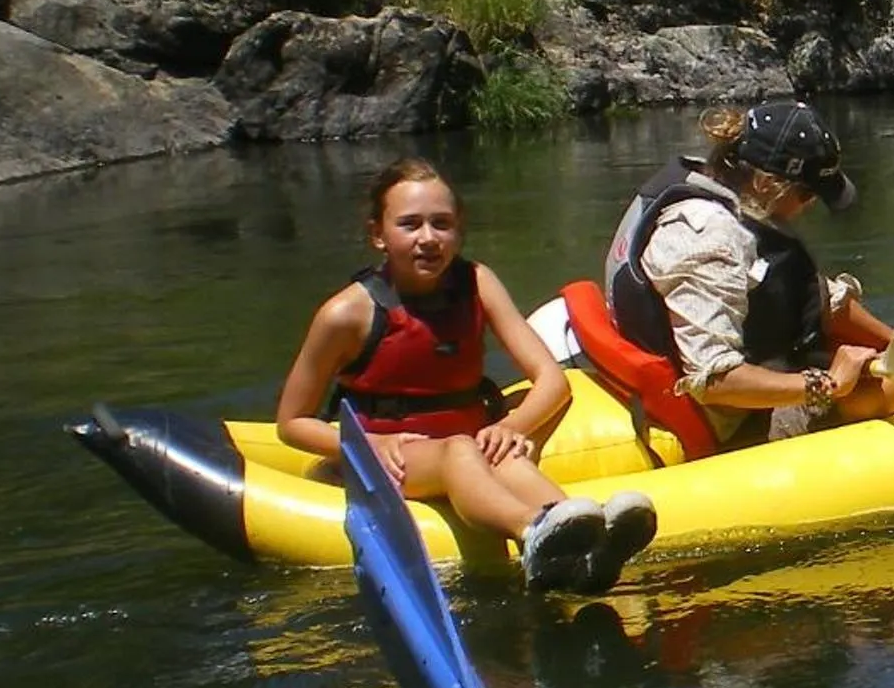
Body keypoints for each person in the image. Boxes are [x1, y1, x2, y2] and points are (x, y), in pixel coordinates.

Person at [278, 159, 655, 594]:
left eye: (442, 224)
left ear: (459, 229)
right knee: (459, 450)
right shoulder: (346, 314)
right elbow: (291, 423)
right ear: (378, 235)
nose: (428, 239)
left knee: (507, 456)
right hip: (394, 459)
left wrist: (511, 427)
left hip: (473, 445)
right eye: (409, 224)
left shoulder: (477, 282)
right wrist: (370, 445)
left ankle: (590, 542)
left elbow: (552, 379)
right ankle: (532, 533)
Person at [604, 99, 894, 448]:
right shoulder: (708, 237)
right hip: (740, 416)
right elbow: (714, 380)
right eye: (807, 192)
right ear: (766, 182)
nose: (812, 206)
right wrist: (829, 384)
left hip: (764, 369)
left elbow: (810, 294)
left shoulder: (724, 188)